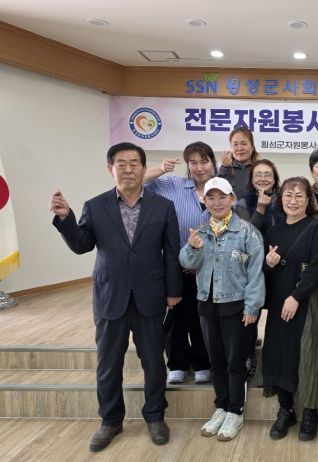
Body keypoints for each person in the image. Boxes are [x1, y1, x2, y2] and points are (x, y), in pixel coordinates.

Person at [49, 142, 183, 452]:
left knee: (154, 362)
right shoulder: (95, 206)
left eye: (134, 163)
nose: (128, 169)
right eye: (121, 163)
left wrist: (174, 292)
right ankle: (110, 420)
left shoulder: (163, 206)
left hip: (151, 295)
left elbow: (171, 252)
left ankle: (155, 416)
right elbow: (82, 245)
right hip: (110, 295)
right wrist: (66, 218)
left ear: (144, 168)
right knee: (108, 364)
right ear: (110, 169)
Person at [179, 177, 265, 442]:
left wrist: (252, 307)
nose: (216, 202)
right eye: (211, 197)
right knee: (216, 362)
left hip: (237, 306)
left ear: (232, 199)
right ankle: (221, 407)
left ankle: (235, 411)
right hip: (207, 305)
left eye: (222, 197)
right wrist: (193, 248)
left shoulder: (247, 232)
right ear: (204, 201)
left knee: (235, 363)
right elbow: (186, 262)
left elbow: (256, 273)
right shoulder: (201, 231)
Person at [262, 177, 318, 442]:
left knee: (306, 354)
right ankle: (285, 409)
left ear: (308, 200)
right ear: (281, 199)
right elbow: (266, 273)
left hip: (307, 301)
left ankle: (310, 412)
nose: (293, 200)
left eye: (299, 195)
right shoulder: (273, 231)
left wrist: (296, 296)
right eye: (288, 195)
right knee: (280, 353)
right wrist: (269, 265)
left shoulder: (317, 228)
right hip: (279, 302)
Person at [144, 141, 216, 385]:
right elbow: (138, 181)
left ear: (213, 163)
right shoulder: (174, 185)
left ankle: (203, 362)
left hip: (207, 268)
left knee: (201, 316)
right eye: (193, 162)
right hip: (176, 265)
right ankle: (177, 363)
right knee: (175, 316)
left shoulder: (221, 188)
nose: (199, 167)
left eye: (204, 161)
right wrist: (161, 168)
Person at [236, 159, 283, 376]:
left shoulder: (284, 199)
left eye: (267, 174)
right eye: (258, 174)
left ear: (275, 179)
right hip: (252, 266)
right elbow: (246, 235)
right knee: (250, 312)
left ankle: (275, 359)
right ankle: (248, 357)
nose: (263, 178)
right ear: (251, 179)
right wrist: (261, 209)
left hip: (279, 263)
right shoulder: (243, 203)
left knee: (278, 311)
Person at [218, 127, 261, 198]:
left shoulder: (261, 169)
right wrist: (225, 168)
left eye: (244, 144)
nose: (239, 148)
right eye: (235, 144)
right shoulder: (224, 168)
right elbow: (217, 192)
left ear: (252, 147)